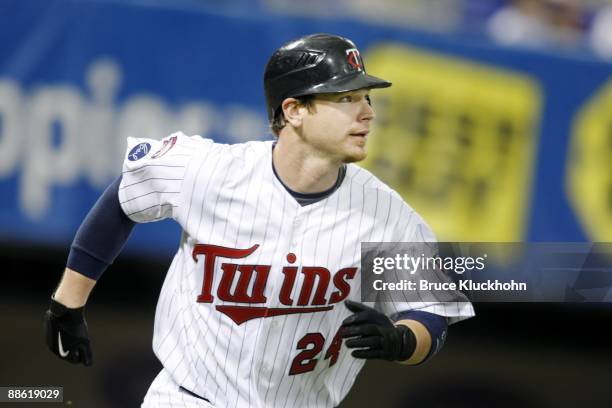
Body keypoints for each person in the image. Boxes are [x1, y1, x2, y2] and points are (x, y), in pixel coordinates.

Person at [43, 33, 474, 407]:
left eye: (366, 98)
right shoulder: (210, 171)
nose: (367, 113)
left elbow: (431, 317)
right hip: (188, 399)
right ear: (294, 110)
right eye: (345, 98)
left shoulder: (388, 213)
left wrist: (402, 340)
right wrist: (68, 303)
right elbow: (125, 197)